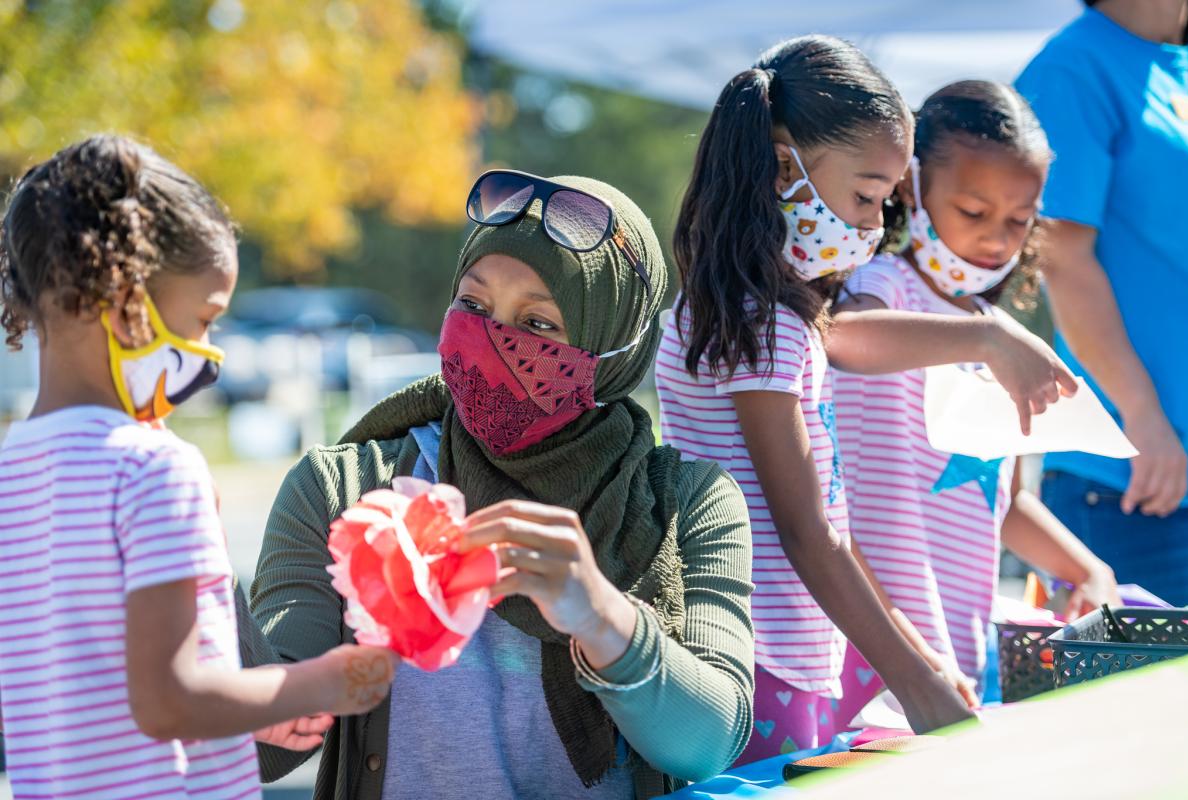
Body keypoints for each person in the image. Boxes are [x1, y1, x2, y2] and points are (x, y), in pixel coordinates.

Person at [237, 171, 756, 799]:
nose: (491, 340)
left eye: (538, 326)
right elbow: (261, 747)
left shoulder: (687, 504)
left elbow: (707, 744)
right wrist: (206, 593)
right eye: (473, 307)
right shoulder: (344, 489)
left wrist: (600, 614)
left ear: (612, 350)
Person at [656, 35, 1078, 758]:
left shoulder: (758, 315)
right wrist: (917, 683)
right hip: (769, 662)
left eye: (886, 201)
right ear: (786, 169)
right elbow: (808, 534)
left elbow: (847, 346)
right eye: (864, 196)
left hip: (783, 649)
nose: (874, 225)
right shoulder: (764, 329)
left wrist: (920, 660)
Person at [0, 135, 394, 800]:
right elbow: (170, 702)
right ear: (128, 304)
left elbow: (101, 685)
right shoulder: (154, 468)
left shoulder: (13, 466)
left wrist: (259, 703)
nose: (208, 353)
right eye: (204, 320)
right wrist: (328, 681)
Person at [831, 81, 1120, 699]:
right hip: (873, 653)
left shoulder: (1002, 335)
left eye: (1020, 220)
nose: (997, 238)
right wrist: (983, 341)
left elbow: (1007, 500)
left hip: (959, 651)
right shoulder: (883, 285)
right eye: (973, 211)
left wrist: (1086, 569)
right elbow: (840, 338)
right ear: (911, 187)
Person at [1016, 0, 1188, 606]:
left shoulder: (1184, 61)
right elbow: (1062, 258)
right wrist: (1141, 413)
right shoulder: (1074, 66)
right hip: (1136, 487)